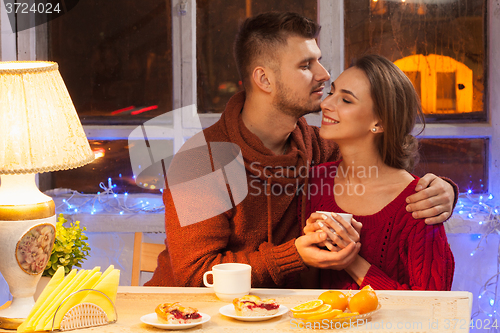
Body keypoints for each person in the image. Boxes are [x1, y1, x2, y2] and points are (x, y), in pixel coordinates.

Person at [146, 12, 457, 288]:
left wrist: (443, 190)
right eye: (306, 65)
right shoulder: (200, 161)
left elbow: (381, 167)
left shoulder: (323, 148)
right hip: (189, 316)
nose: (323, 75)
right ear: (264, 79)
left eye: (318, 60)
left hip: (278, 315)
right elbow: (195, 275)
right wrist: (291, 256)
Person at [298, 54, 455, 290]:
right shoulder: (315, 181)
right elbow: (300, 290)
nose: (326, 104)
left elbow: (433, 311)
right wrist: (307, 250)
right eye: (332, 93)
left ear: (379, 123)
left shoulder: (420, 204)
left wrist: (352, 262)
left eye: (347, 100)